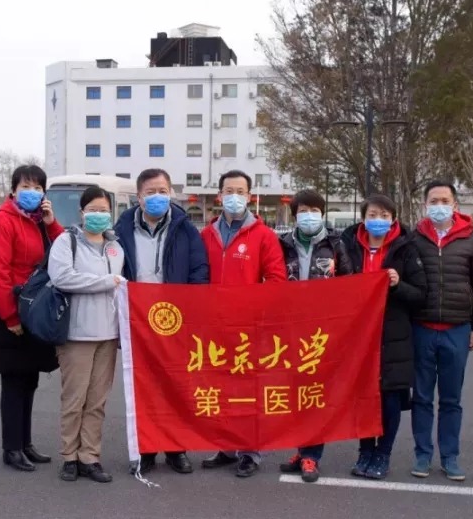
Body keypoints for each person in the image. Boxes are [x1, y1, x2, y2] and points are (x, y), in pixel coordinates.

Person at [114, 168, 209, 476]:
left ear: (171, 193)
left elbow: (199, 271)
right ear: (139, 197)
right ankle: (145, 448)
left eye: (163, 191)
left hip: (176, 320)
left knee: (176, 385)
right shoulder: (122, 229)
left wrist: (193, 311)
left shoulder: (185, 228)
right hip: (138, 320)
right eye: (151, 192)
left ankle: (176, 448)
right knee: (143, 386)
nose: (158, 197)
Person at [199, 169, 286, 478]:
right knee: (220, 387)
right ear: (220, 195)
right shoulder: (206, 234)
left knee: (248, 390)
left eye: (240, 190)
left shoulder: (263, 235)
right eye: (228, 190)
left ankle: (250, 451)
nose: (234, 196)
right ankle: (226, 446)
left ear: (250, 196)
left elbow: (276, 280)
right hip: (214, 327)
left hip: (249, 328)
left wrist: (251, 306)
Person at [335, 194, 426, 480]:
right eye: (373, 214)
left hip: (393, 334)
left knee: (388, 397)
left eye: (385, 216)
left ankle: (383, 453)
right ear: (363, 218)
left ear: (393, 219)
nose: (379, 220)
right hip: (359, 334)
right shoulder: (347, 245)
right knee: (363, 396)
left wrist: (398, 285)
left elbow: (421, 294)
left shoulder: (407, 249)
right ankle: (365, 451)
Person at [0, 165, 63, 473]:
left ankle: (26, 443)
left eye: (38, 187)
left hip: (35, 311)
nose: (32, 192)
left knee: (29, 380)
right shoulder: (5, 221)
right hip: (12, 313)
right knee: (14, 382)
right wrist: (10, 316)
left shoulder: (39, 222)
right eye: (26, 186)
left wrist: (52, 224)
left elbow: (61, 251)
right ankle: (11, 447)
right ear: (13, 190)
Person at [410, 181, 473, 481]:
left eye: (444, 200)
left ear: (455, 205)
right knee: (420, 397)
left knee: (451, 399)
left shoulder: (472, 239)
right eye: (433, 200)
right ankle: (422, 455)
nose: (439, 205)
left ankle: (450, 457)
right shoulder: (415, 238)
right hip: (422, 328)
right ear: (425, 204)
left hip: (458, 330)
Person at [275, 190, 356, 482]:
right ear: (295, 215)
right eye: (303, 210)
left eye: (314, 210)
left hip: (323, 331)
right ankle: (301, 448)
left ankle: (312, 456)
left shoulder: (336, 243)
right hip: (290, 329)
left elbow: (349, 284)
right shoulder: (282, 243)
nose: (309, 215)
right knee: (296, 394)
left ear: (322, 213)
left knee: (315, 395)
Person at [48, 186, 126, 484]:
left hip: (108, 335)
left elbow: (122, 286)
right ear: (82, 213)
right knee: (74, 399)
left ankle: (90, 456)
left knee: (97, 401)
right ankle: (69, 456)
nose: (98, 215)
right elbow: (62, 277)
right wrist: (107, 281)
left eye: (103, 209)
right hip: (77, 335)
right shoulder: (66, 241)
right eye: (92, 209)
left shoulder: (115, 247)